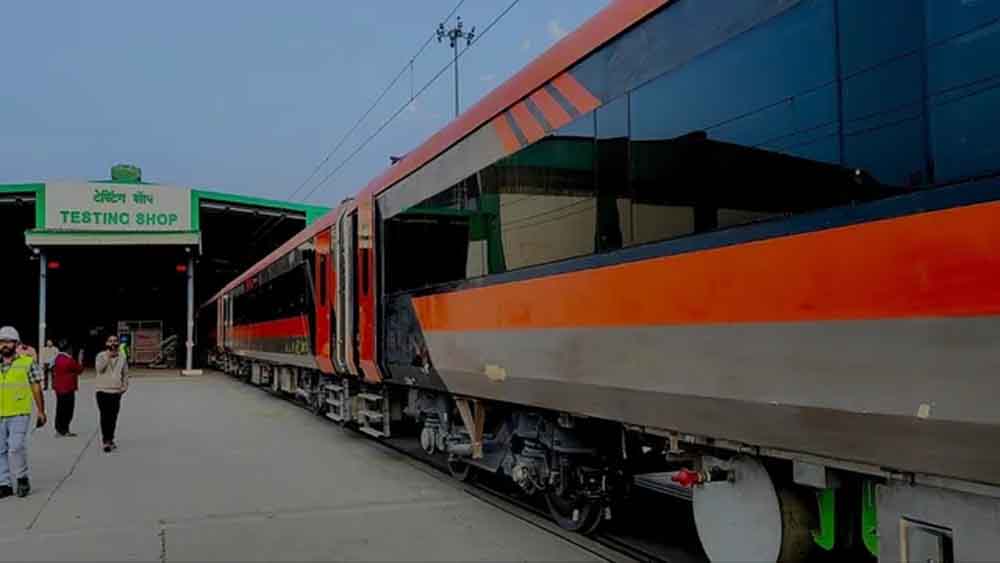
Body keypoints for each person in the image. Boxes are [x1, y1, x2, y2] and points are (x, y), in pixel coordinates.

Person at [0, 326, 46, 498]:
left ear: (16, 343)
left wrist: (41, 411)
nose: (5, 345)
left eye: (9, 341)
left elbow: (36, 388)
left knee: (15, 447)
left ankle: (21, 478)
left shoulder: (27, 363)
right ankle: (4, 483)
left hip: (19, 413)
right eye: (2, 342)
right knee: (0, 450)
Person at [95, 334, 127, 452]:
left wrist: (125, 386)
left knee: (113, 417)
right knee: (105, 416)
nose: (113, 343)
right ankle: (106, 441)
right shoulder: (101, 355)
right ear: (106, 343)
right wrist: (108, 357)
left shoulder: (122, 357)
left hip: (116, 391)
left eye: (115, 341)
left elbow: (125, 373)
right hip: (102, 390)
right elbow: (99, 369)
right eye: (110, 341)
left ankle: (110, 438)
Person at [51, 339, 83, 437]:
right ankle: (64, 429)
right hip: (68, 388)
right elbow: (79, 370)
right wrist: (80, 359)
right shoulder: (69, 360)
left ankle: (59, 429)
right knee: (68, 410)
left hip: (58, 387)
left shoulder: (57, 358)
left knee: (60, 408)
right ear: (68, 349)